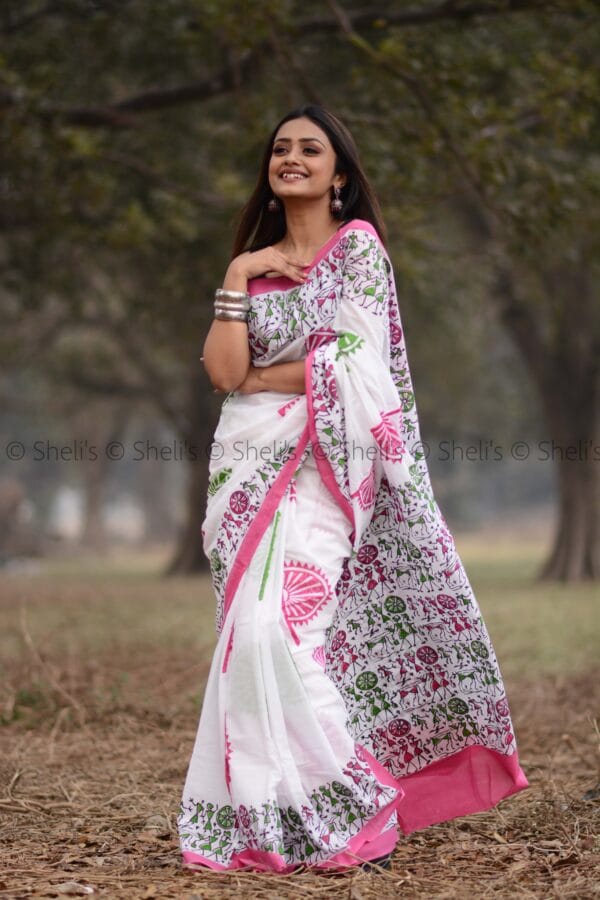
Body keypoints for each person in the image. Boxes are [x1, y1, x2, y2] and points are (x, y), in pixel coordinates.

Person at [177, 104, 528, 873]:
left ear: (340, 174)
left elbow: (356, 368)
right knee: (247, 644)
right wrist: (238, 274)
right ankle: (276, 822)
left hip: (322, 471)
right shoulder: (254, 265)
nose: (292, 157)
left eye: (311, 148)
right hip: (246, 476)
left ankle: (353, 804)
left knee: (278, 630)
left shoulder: (358, 250)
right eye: (280, 148)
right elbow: (218, 369)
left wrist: (260, 378)